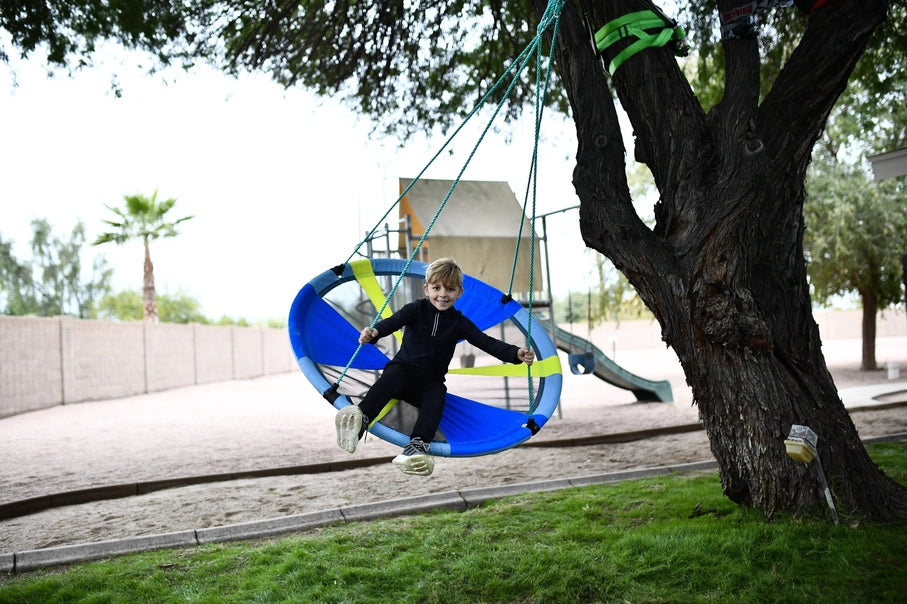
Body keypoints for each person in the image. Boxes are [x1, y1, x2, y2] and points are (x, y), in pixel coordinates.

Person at [334, 257, 535, 476]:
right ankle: (360, 419)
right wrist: (374, 333)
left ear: (459, 293)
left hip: (429, 382)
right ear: (426, 289)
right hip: (403, 370)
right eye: (437, 287)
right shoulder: (415, 309)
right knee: (391, 377)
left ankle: (417, 446)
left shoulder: (460, 323)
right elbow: (392, 322)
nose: (443, 294)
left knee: (436, 397)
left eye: (450, 289)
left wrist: (515, 353)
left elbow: (486, 342)